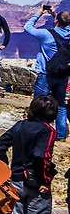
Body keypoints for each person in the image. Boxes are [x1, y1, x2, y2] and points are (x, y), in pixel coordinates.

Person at [0, 95, 58, 214]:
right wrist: (45, 180)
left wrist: (5, 168)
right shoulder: (48, 131)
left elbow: (0, 145)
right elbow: (41, 156)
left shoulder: (20, 125)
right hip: (35, 184)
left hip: (16, 180)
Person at [24, 7, 70, 141]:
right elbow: (65, 23)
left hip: (46, 74)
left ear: (56, 21)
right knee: (60, 105)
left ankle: (36, 131)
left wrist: (39, 13)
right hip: (63, 75)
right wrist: (56, 15)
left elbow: (28, 27)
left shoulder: (46, 34)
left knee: (38, 104)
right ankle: (61, 134)